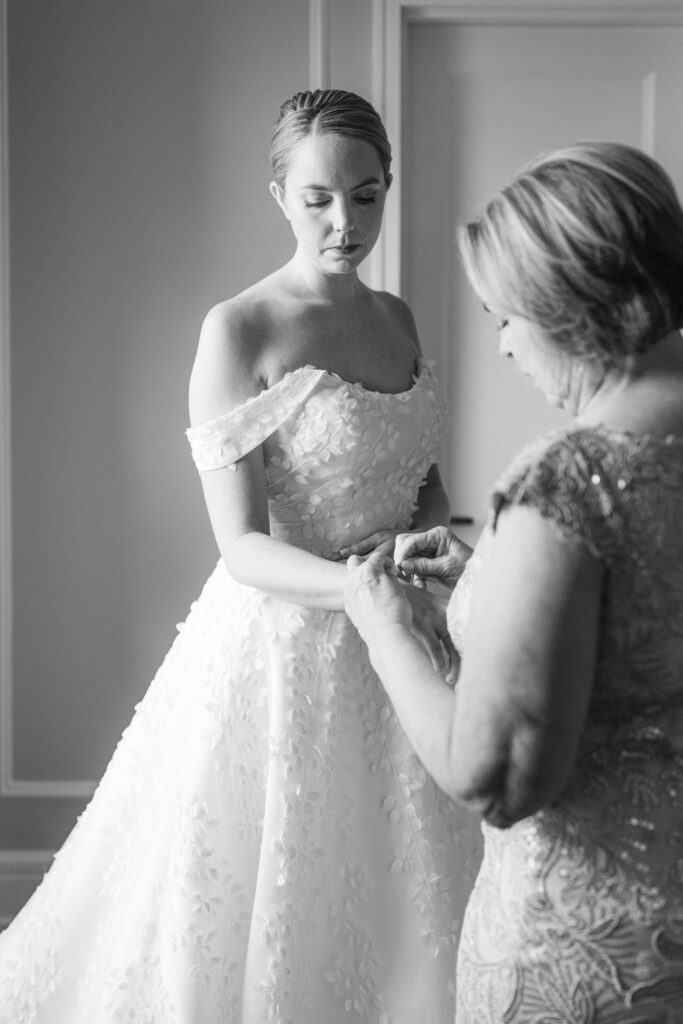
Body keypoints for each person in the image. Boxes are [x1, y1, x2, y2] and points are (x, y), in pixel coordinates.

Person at [0, 89, 481, 1024]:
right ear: (278, 194)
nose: (346, 222)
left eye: (367, 195)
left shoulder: (399, 320)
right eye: (318, 199)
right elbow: (243, 547)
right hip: (287, 647)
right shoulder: (239, 330)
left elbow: (424, 483)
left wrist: (429, 544)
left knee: (406, 884)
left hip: (404, 639)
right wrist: (359, 588)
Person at [345, 141, 683, 1022]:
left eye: (504, 317)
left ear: (568, 309)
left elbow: (495, 776)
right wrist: (486, 586)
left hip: (592, 952)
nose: (500, 347)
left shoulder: (572, 478)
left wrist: (384, 627)